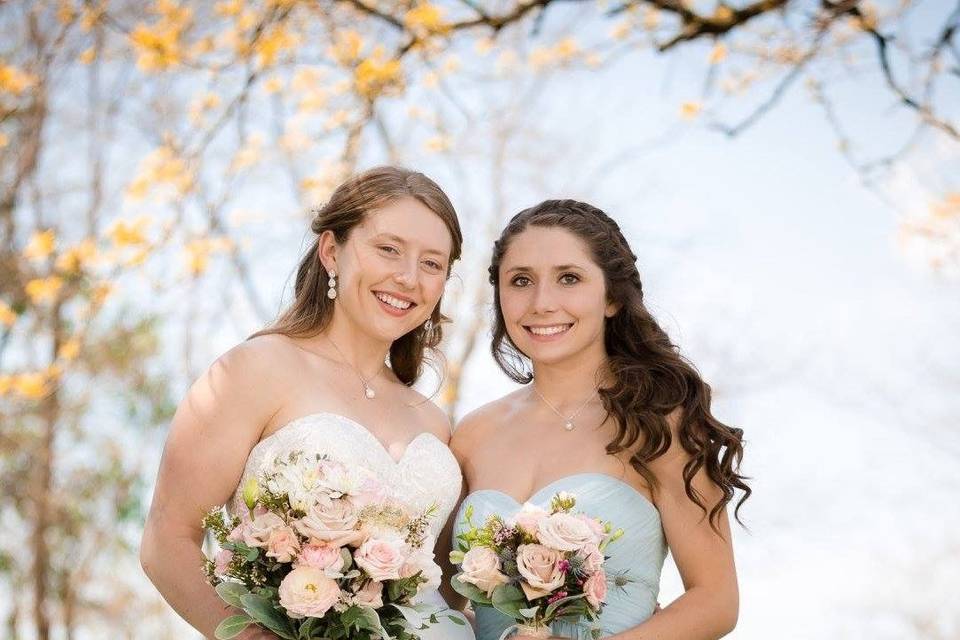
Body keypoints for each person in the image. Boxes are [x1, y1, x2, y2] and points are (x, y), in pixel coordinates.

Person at [141, 166, 474, 640]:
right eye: (388, 249)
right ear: (331, 251)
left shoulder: (436, 423)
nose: (407, 278)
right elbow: (166, 539)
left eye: (432, 264)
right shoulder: (253, 371)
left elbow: (440, 590)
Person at [450, 200, 750, 639]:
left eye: (568, 278)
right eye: (521, 281)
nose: (541, 303)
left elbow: (715, 600)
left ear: (611, 297)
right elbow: (443, 601)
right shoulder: (473, 435)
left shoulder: (659, 422)